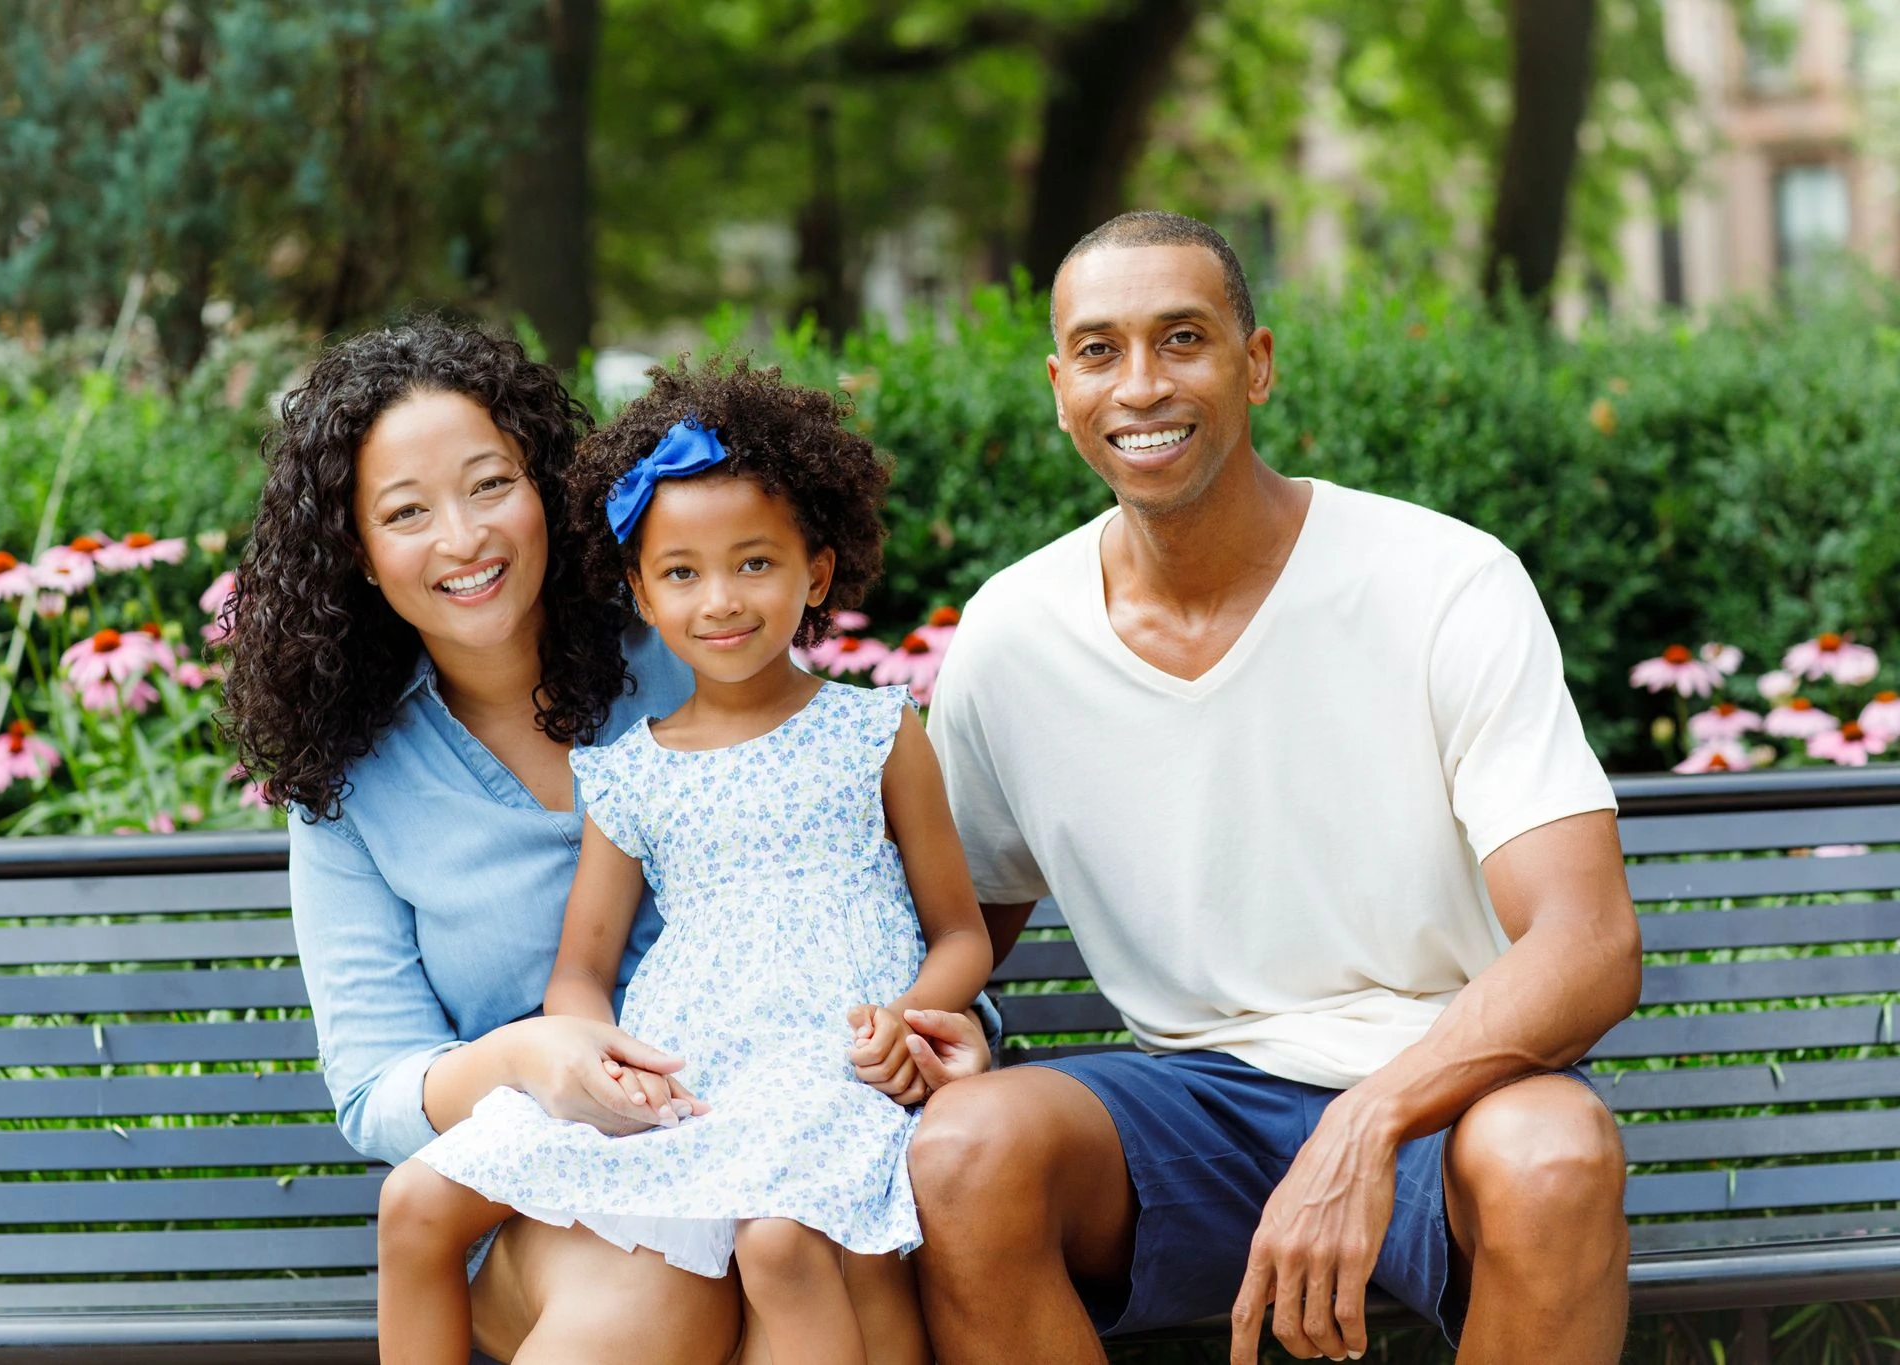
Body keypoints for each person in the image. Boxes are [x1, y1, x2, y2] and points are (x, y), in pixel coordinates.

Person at [910, 211, 1642, 1365]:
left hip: (1438, 1099)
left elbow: (1588, 942)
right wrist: (936, 1017)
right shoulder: (1013, 636)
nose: (1139, 384)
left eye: (1182, 339)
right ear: (1060, 390)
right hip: (1190, 1109)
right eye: (1099, 351)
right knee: (963, 1149)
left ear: (1254, 364)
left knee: (1553, 1158)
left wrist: (1367, 1120)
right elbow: (954, 925)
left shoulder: (1440, 581)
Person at [224, 320, 995, 1365]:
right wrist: (531, 1054)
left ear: (546, 488)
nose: (462, 539)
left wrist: (931, 1028)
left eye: (490, 484)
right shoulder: (350, 782)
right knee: (651, 1291)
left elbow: (866, 899)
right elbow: (374, 1091)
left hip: (798, 1147)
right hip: (550, 1201)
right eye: (406, 513)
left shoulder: (699, 648)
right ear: (356, 555)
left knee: (743, 1265)